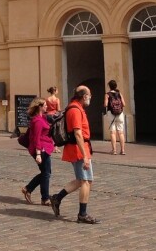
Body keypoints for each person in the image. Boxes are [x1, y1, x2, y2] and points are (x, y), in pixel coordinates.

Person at [51, 85, 100, 224]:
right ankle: (82, 214)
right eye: (89, 95)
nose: (90, 97)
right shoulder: (75, 109)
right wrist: (85, 156)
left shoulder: (76, 108)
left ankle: (57, 198)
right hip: (78, 150)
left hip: (80, 148)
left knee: (82, 180)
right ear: (84, 96)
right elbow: (78, 133)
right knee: (85, 181)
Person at [20, 97, 53, 206]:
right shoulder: (37, 121)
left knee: (46, 173)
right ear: (39, 107)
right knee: (46, 173)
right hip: (40, 149)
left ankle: (28, 189)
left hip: (46, 148)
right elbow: (37, 138)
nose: (46, 106)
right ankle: (44, 198)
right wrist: (38, 154)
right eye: (45, 105)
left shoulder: (42, 118)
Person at [104, 80, 126, 155]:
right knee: (121, 133)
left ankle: (114, 150)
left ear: (109, 86)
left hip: (111, 114)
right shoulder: (119, 93)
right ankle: (122, 150)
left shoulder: (107, 94)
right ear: (116, 86)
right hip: (120, 114)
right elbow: (124, 104)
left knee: (113, 133)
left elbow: (105, 104)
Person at [45, 86, 61, 153]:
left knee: (49, 131)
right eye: (57, 90)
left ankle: (48, 146)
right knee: (55, 132)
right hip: (54, 116)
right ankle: (55, 148)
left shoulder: (47, 99)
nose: (57, 91)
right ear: (54, 91)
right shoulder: (57, 99)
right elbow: (58, 109)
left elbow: (45, 108)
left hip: (48, 115)